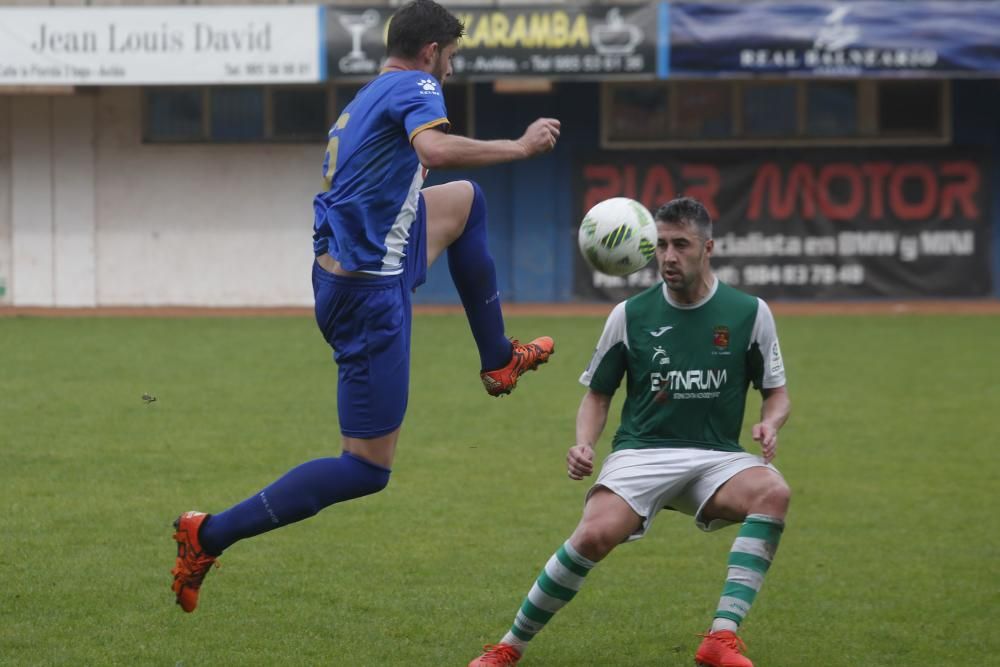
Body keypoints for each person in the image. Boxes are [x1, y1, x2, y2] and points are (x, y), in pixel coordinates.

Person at [171, 0, 561, 614]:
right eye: (452, 58)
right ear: (432, 51)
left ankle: (498, 359)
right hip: (367, 294)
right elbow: (433, 150)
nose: (451, 73)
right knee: (365, 468)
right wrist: (518, 146)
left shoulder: (367, 96)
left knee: (465, 203)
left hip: (361, 263)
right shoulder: (418, 83)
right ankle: (208, 534)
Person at [468, 197, 792, 667]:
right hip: (643, 452)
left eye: (681, 245)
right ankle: (508, 646)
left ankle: (721, 637)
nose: (668, 257)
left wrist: (770, 420)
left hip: (718, 456)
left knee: (774, 491)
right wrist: (584, 443)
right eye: (660, 245)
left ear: (708, 248)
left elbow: (777, 392)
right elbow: (598, 395)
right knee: (593, 536)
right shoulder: (629, 315)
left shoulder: (749, 313)